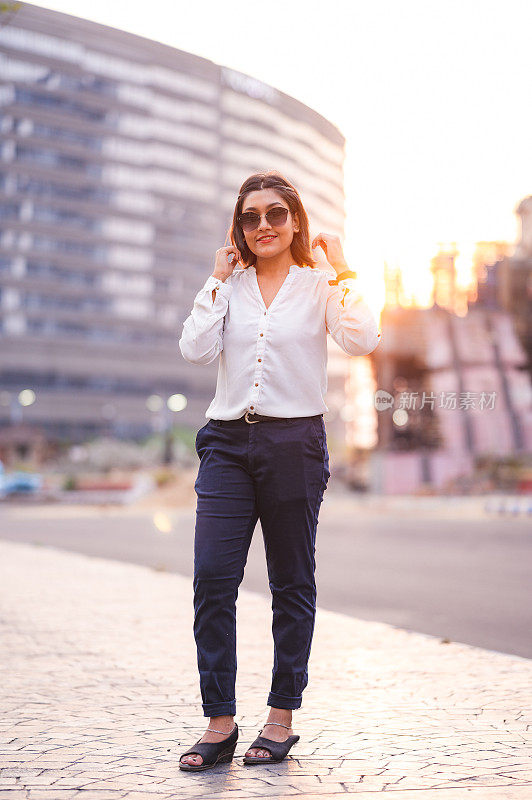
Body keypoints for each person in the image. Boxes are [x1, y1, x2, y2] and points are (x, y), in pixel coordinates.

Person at [177, 170, 381, 771]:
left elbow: (363, 338)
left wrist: (342, 268)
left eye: (274, 214)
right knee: (213, 578)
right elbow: (194, 349)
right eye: (249, 217)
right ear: (238, 228)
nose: (262, 225)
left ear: (295, 222)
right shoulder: (228, 285)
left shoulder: (320, 285)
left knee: (291, 582)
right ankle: (219, 721)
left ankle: (280, 718)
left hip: (295, 443)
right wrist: (215, 280)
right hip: (226, 445)